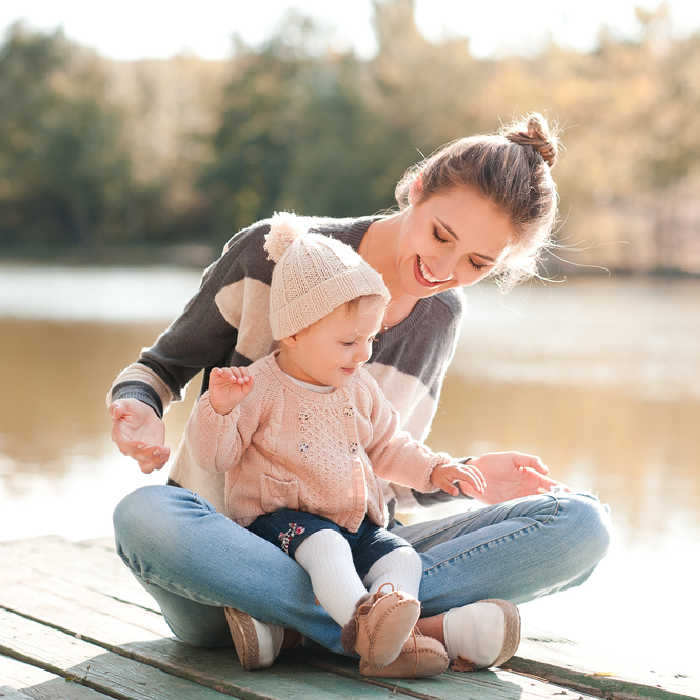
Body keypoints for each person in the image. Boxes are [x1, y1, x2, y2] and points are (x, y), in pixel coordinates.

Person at [110, 113, 611, 673]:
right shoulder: (277, 253)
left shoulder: (439, 316)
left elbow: (379, 468)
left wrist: (461, 475)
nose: (443, 268)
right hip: (230, 553)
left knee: (579, 526)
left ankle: (311, 628)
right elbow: (161, 367)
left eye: (477, 262)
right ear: (417, 188)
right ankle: (401, 630)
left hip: (353, 547)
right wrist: (138, 407)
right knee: (145, 516)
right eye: (441, 235)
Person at [185, 213, 515, 677]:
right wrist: (219, 409)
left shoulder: (358, 389)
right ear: (294, 333)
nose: (363, 354)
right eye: (347, 342)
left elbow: (389, 447)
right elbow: (215, 457)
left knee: (401, 555)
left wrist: (436, 470)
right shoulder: (259, 386)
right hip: (281, 524)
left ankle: (387, 617)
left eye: (369, 339)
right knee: (326, 548)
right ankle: (367, 632)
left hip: (353, 520)